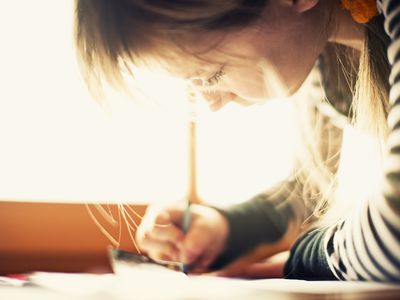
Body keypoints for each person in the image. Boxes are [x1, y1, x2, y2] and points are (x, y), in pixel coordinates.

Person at [74, 0, 400, 281]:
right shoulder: (323, 54)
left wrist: (297, 262)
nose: (213, 104)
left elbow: (393, 230)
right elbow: (311, 188)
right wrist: (227, 227)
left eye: (213, 74)